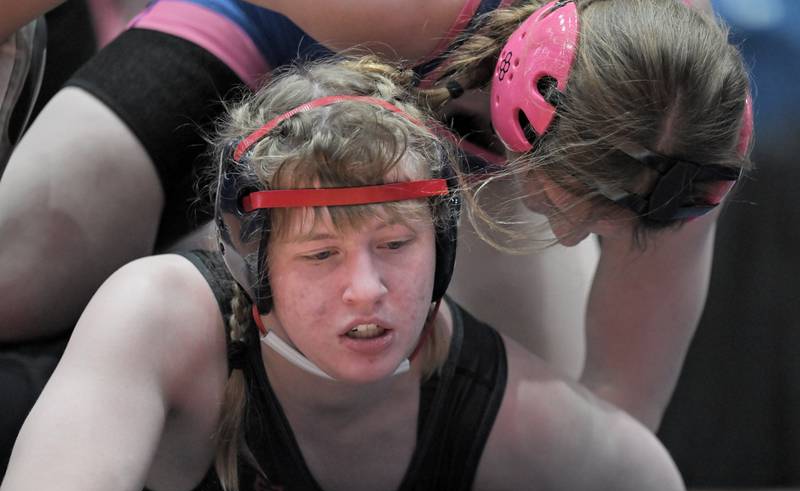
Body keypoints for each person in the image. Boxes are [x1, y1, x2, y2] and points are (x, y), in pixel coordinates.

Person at [0, 58, 690, 491]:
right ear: (253, 258)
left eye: (395, 244)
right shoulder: (164, 311)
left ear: (444, 245)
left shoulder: (475, 386)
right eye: (320, 254)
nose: (367, 289)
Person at [0, 0, 751, 432]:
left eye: (599, 228)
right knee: (20, 271)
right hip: (264, 32)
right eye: (573, 207)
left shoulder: (686, 127)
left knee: (529, 430)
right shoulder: (409, 4)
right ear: (532, 108)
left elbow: (622, 419)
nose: (570, 235)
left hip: (468, 131)